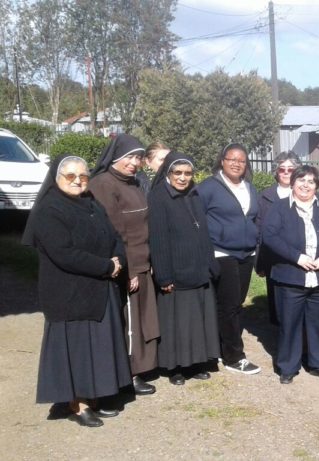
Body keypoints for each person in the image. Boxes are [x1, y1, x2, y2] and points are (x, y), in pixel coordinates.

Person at [23, 156, 132, 427]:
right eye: (70, 176)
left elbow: (114, 236)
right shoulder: (48, 210)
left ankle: (96, 395)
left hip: (98, 287)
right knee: (78, 348)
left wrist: (118, 258)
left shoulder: (91, 202)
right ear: (57, 177)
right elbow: (63, 254)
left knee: (97, 344)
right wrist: (107, 266)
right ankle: (78, 403)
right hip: (69, 292)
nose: (77, 181)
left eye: (83, 176)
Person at [89, 134, 159, 396]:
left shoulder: (133, 183)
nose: (134, 162)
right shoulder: (103, 184)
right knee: (128, 322)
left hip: (142, 260)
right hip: (125, 265)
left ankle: (137, 369)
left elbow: (143, 226)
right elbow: (114, 232)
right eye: (129, 157)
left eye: (138, 157)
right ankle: (127, 373)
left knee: (141, 320)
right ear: (115, 157)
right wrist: (128, 268)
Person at [262, 165, 319, 384]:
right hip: (290, 277)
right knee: (290, 323)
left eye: (311, 181)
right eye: (301, 180)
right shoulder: (279, 208)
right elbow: (269, 236)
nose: (306, 185)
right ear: (293, 182)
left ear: (317, 186)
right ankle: (288, 366)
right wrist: (297, 257)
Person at [148, 152, 221, 385]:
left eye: (187, 173)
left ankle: (196, 362)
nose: (182, 178)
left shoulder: (194, 194)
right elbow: (158, 239)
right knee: (176, 323)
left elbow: (203, 233)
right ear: (168, 173)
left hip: (198, 269)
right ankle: (175, 367)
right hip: (176, 273)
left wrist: (211, 264)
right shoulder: (159, 197)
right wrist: (164, 275)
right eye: (177, 173)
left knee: (198, 321)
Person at [196, 143, 261, 375]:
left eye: (242, 160)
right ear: (222, 160)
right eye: (232, 159)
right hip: (222, 253)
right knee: (230, 305)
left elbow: (254, 219)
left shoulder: (250, 188)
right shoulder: (208, 188)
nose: (236, 163)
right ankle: (234, 356)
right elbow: (197, 219)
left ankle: (221, 347)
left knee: (234, 304)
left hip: (246, 253)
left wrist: (255, 241)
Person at [256, 151, 302, 325]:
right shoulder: (265, 197)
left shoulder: (306, 192)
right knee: (277, 303)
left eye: (290, 169)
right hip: (273, 259)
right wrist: (260, 263)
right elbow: (259, 229)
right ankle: (281, 339)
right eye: (282, 169)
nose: (286, 172)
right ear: (276, 171)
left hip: (300, 258)